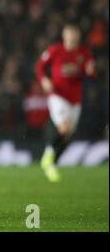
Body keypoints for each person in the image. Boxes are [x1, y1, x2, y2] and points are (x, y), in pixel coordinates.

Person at [35, 24, 96, 182]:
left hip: (75, 100)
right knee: (65, 127)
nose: (72, 37)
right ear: (64, 36)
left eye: (75, 34)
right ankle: (48, 156)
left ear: (78, 36)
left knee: (67, 136)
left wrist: (90, 72)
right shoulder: (55, 50)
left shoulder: (84, 53)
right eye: (69, 34)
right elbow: (40, 66)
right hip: (57, 96)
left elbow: (91, 75)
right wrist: (44, 80)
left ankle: (51, 165)